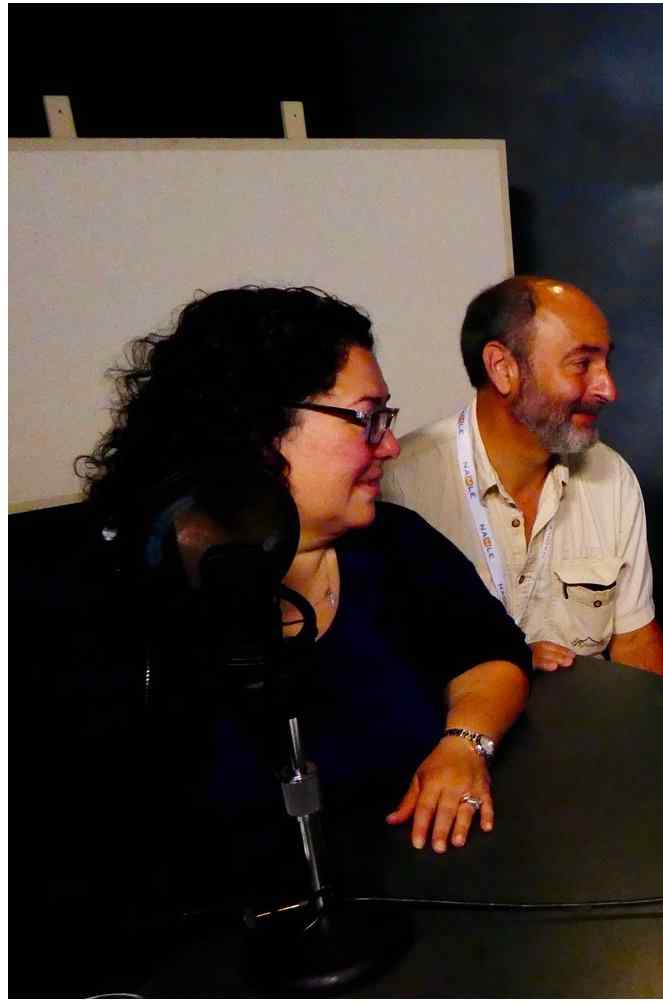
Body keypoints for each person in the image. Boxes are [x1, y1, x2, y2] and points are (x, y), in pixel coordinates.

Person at [76, 287, 533, 852]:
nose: (391, 445)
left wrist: (464, 743)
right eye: (367, 419)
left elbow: (491, 653)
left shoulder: (396, 545)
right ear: (258, 428)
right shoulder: (121, 596)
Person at [382, 276, 663, 676]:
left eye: (606, 363)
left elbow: (636, 638)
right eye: (582, 364)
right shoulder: (398, 485)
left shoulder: (611, 476)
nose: (608, 389)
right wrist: (503, 657)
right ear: (503, 368)